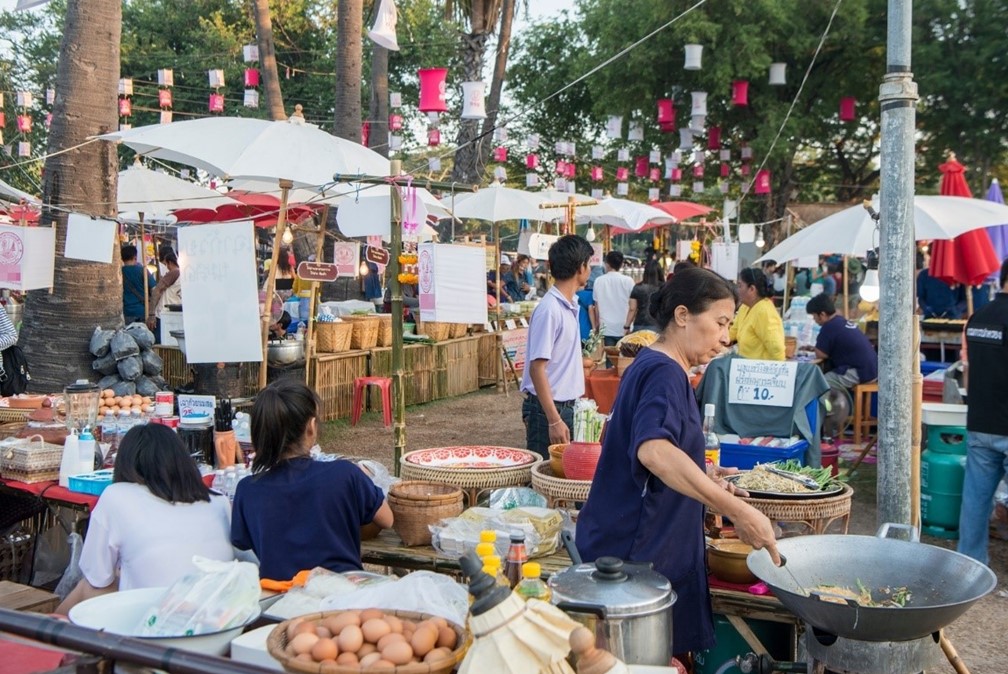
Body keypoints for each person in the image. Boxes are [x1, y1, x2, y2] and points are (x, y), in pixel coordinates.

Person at [576, 267, 780, 660]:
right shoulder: (664, 373)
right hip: (634, 560)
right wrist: (736, 510)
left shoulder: (656, 365)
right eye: (720, 323)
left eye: (730, 325)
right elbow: (653, 451)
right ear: (683, 316)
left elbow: (658, 456)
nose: (725, 338)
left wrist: (706, 476)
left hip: (633, 552)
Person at [57, 424, 235, 614]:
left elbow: (97, 576)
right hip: (221, 620)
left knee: (89, 587)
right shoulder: (218, 500)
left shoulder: (117, 496)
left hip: (155, 625)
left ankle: (41, 631)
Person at [231, 379, 393, 580]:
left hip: (280, 602)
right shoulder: (344, 474)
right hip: (340, 598)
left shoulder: (247, 490)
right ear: (311, 427)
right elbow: (387, 520)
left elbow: (242, 543)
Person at [520, 235, 594, 459]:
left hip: (564, 407)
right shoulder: (550, 309)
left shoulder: (569, 305)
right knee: (545, 480)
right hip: (549, 410)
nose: (589, 269)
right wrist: (554, 419)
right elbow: (537, 368)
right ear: (581, 267)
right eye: (589, 264)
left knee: (562, 479)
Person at [957, 258, 1008, 565]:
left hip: (980, 421)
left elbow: (967, 370)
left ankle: (970, 564)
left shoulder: (978, 319)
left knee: (975, 501)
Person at [806, 293, 878, 390]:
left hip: (861, 372)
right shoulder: (840, 321)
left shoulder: (829, 326)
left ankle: (827, 405)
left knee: (821, 383)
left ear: (822, 314)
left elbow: (821, 354)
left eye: (814, 316)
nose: (814, 320)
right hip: (873, 368)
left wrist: (816, 350)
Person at [730, 267, 785, 361]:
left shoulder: (764, 311)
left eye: (740, 286)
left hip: (760, 371)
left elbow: (777, 350)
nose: (737, 290)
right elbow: (732, 332)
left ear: (751, 289)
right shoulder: (745, 307)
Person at [592, 251, 635, 346]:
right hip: (624, 326)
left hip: (606, 327)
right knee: (624, 357)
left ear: (606, 264)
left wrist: (597, 325)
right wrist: (628, 325)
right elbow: (633, 307)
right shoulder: (629, 281)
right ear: (621, 264)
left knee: (610, 357)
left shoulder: (598, 281)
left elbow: (597, 306)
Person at [147, 248, 181, 341]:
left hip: (164, 315)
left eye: (166, 264)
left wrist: (151, 315)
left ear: (170, 263)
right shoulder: (182, 273)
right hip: (171, 315)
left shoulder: (175, 272)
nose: (167, 268)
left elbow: (156, 291)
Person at [120, 244, 155, 325]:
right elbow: (154, 289)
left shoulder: (119, 273)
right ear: (135, 257)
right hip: (142, 312)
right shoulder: (143, 271)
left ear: (122, 258)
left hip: (126, 313)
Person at [625, 259, 662, 333]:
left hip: (640, 325)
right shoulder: (664, 287)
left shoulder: (637, 287)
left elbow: (632, 309)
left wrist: (627, 326)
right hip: (658, 326)